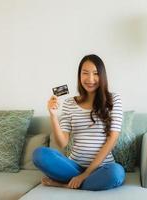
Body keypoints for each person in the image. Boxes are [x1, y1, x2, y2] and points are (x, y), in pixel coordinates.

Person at [32, 54, 125, 191]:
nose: (90, 79)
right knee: (39, 154)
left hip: (102, 168)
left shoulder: (113, 100)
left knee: (116, 173)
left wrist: (85, 175)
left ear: (102, 76)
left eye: (95, 74)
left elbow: (113, 139)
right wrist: (53, 115)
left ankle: (65, 184)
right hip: (73, 166)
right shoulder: (69, 103)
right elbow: (62, 143)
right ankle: (83, 182)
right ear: (79, 75)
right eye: (85, 73)